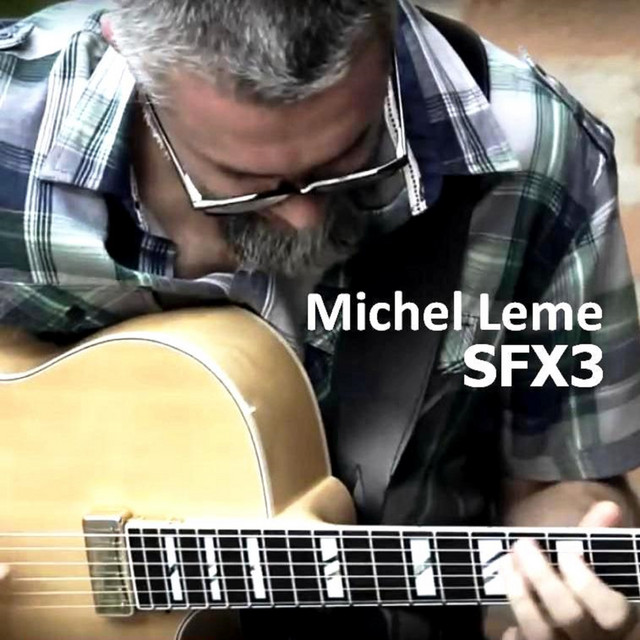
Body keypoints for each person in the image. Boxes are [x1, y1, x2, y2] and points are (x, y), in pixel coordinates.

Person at [1, 0, 640, 638]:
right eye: (244, 178)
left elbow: (565, 487)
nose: (302, 216)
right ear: (126, 49)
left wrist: (567, 583)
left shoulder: (536, 155)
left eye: (350, 157)